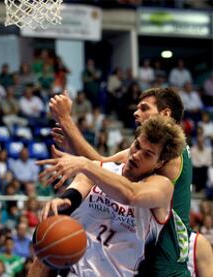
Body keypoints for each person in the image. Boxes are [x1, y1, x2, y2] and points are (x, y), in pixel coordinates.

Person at [49, 88, 193, 276]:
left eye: (144, 108)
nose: (136, 112)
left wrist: (66, 120)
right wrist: (76, 149)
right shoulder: (150, 148)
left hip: (164, 261)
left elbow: (119, 185)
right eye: (137, 147)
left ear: (165, 114)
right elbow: (103, 166)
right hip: (148, 254)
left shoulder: (171, 154)